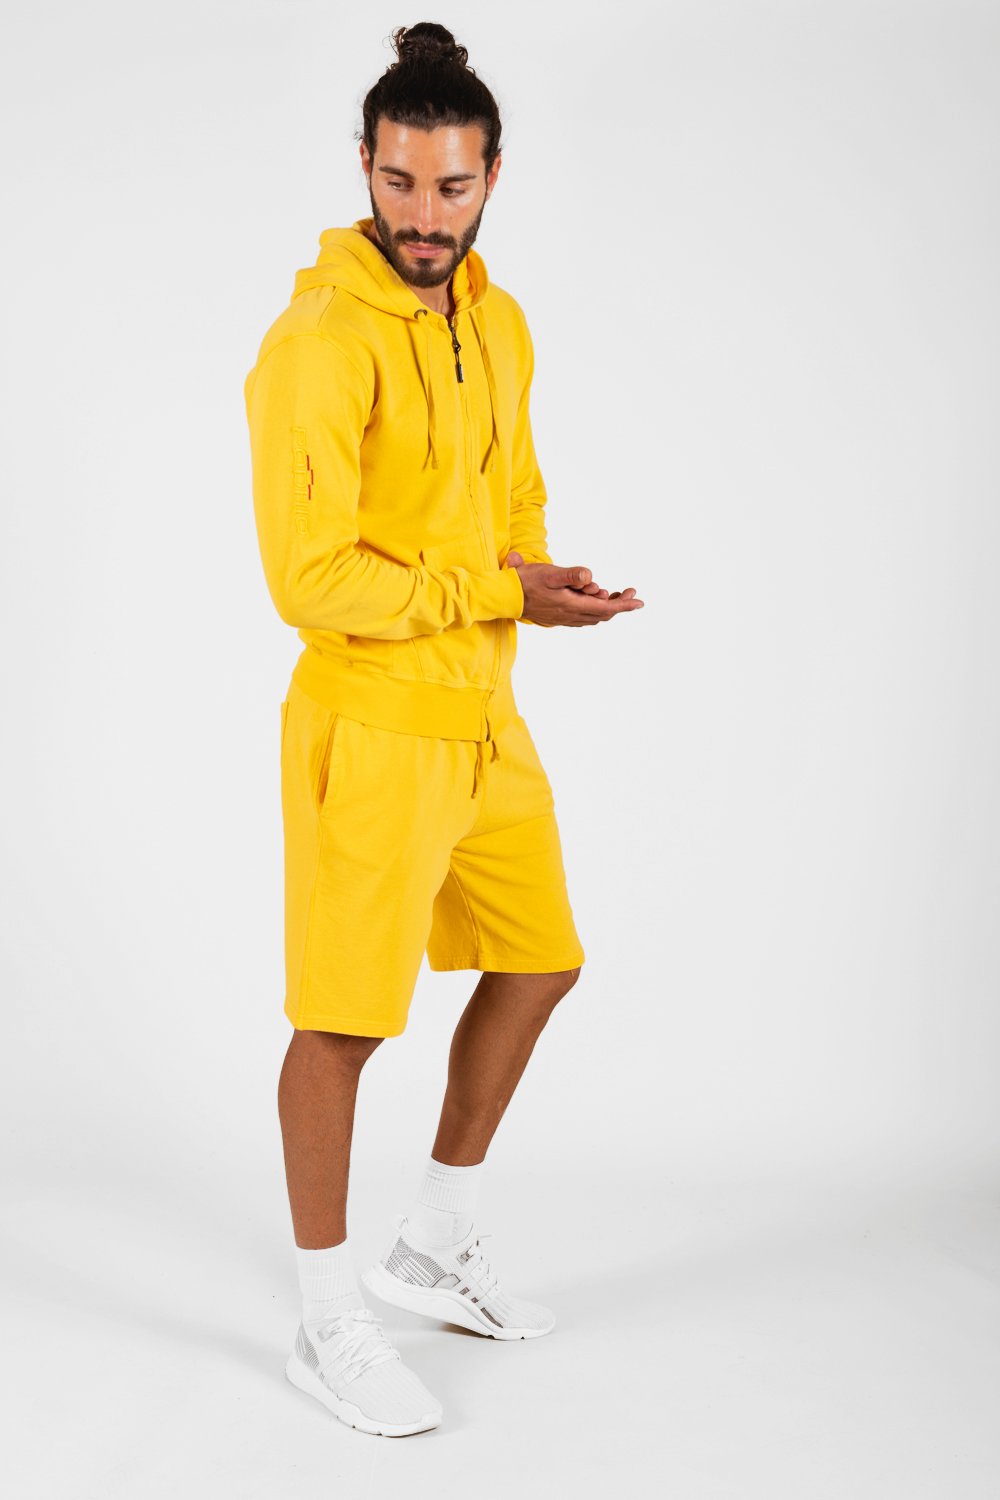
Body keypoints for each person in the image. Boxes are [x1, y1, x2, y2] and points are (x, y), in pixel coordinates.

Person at [244, 21, 644, 1438]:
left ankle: (431, 1240)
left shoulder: (499, 318)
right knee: (343, 1024)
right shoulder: (318, 344)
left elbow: (510, 493)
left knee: (541, 960)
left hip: (483, 714)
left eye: (452, 187)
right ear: (365, 163)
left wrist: (540, 582)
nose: (424, 216)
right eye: (401, 182)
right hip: (371, 727)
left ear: (491, 178)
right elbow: (309, 579)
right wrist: (491, 591)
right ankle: (326, 1318)